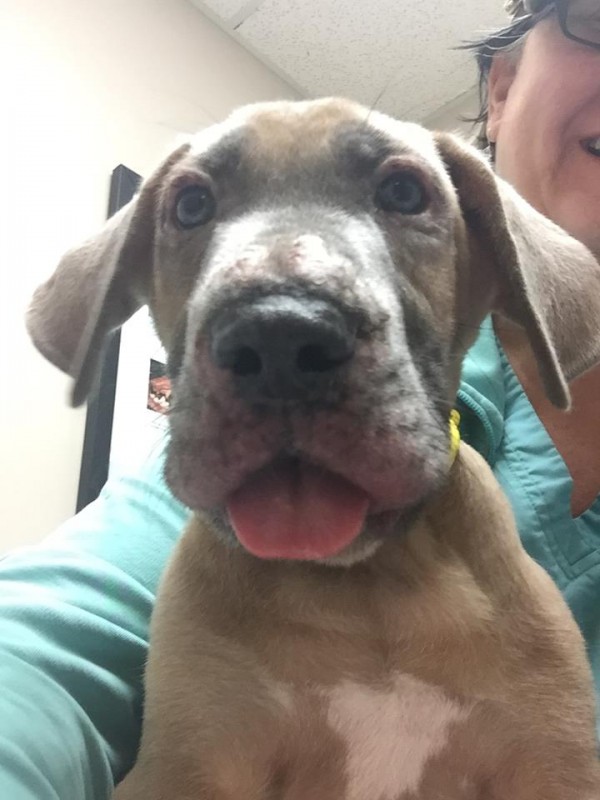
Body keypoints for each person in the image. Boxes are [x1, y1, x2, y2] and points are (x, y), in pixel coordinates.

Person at [1, 1, 599, 797]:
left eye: (401, 194)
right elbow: (43, 651)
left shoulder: (521, 616)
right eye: (193, 206)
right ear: (503, 86)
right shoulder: (198, 563)